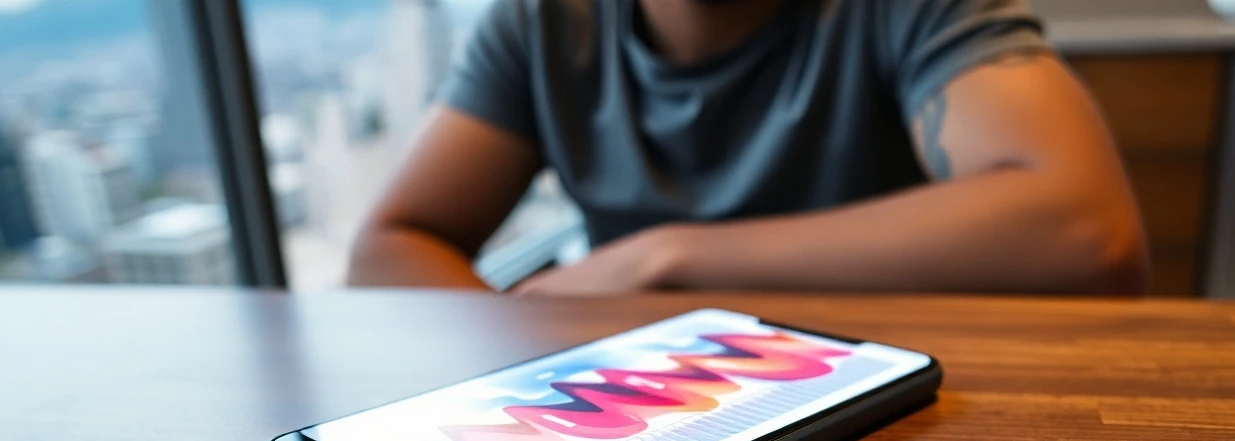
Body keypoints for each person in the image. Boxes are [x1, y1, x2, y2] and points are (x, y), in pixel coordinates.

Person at [350, 0, 1149, 295]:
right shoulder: (541, 25)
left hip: (881, 427)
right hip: (649, 424)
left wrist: (664, 258)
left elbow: (1085, 229)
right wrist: (523, 370)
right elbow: (390, 247)